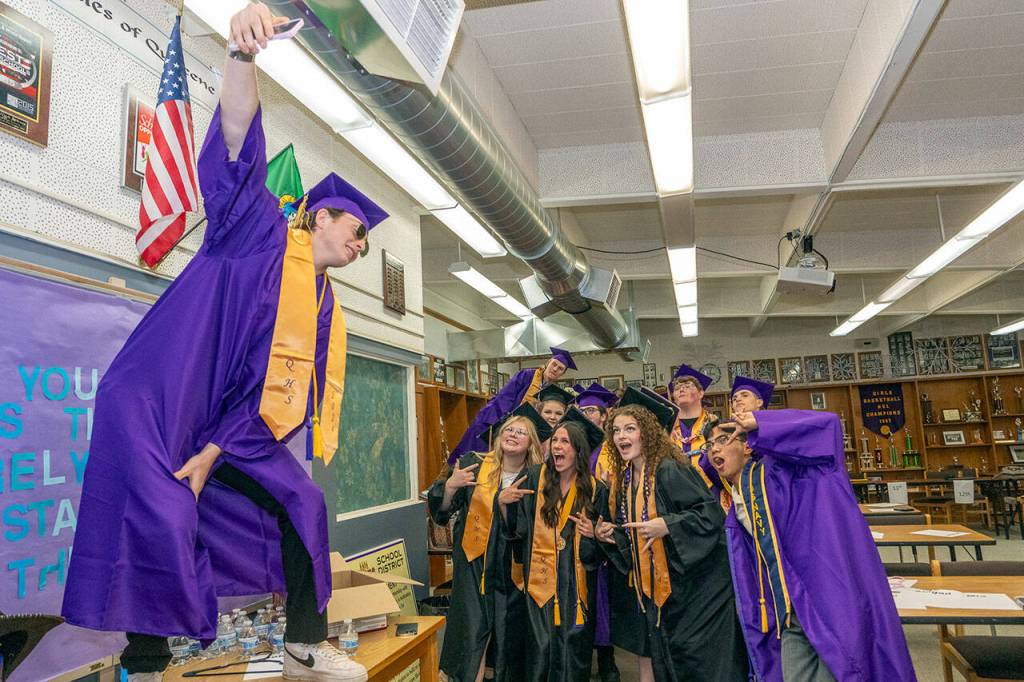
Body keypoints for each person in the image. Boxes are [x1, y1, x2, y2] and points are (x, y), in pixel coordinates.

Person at [62, 5, 379, 681]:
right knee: (161, 510)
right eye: (354, 230)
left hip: (229, 426)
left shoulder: (324, 308)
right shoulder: (256, 228)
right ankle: (145, 662)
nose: (359, 246)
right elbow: (238, 141)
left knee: (304, 501)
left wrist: (212, 453)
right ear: (317, 217)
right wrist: (243, 58)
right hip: (156, 396)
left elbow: (274, 400)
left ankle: (303, 641)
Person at [721, 408, 916, 682]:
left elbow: (828, 425)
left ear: (750, 447)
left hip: (829, 600)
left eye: (724, 440)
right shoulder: (740, 497)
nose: (715, 450)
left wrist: (762, 425)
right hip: (790, 609)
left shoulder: (798, 473)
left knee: (845, 667)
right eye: (711, 444)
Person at [594, 388, 748, 682]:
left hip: (699, 587)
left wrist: (669, 524)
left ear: (647, 433)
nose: (621, 436)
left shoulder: (668, 469)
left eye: (630, 428)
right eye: (615, 430)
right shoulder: (627, 479)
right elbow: (640, 536)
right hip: (665, 590)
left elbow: (710, 515)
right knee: (670, 657)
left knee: (698, 661)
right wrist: (611, 535)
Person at [428, 406, 549, 682]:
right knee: (472, 629)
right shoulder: (475, 463)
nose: (513, 435)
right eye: (509, 429)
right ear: (499, 436)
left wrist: (505, 507)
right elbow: (442, 512)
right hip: (473, 563)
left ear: (531, 442)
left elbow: (532, 527)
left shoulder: (536, 478)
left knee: (507, 633)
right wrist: (450, 487)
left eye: (521, 432)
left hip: (513, 569)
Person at [499, 418, 608, 682]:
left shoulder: (596, 490)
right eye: (555, 440)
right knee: (540, 650)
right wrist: (503, 506)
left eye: (565, 441)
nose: (557, 447)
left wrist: (592, 536)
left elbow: (601, 552)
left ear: (578, 450)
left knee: (573, 651)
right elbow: (519, 530)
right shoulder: (536, 478)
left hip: (576, 588)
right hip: (539, 584)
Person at [570, 385, 622, 682]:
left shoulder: (614, 447)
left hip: (605, 527)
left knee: (602, 596)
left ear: (604, 416)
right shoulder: (578, 445)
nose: (588, 415)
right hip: (577, 525)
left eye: (593, 411)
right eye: (584, 410)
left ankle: (606, 656)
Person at [449, 348, 576, 463]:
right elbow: (505, 398)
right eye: (554, 364)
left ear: (562, 374)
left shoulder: (550, 391)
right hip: (495, 420)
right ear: (548, 362)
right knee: (477, 455)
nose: (555, 369)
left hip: (522, 430)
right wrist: (504, 424)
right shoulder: (526, 375)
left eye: (560, 369)